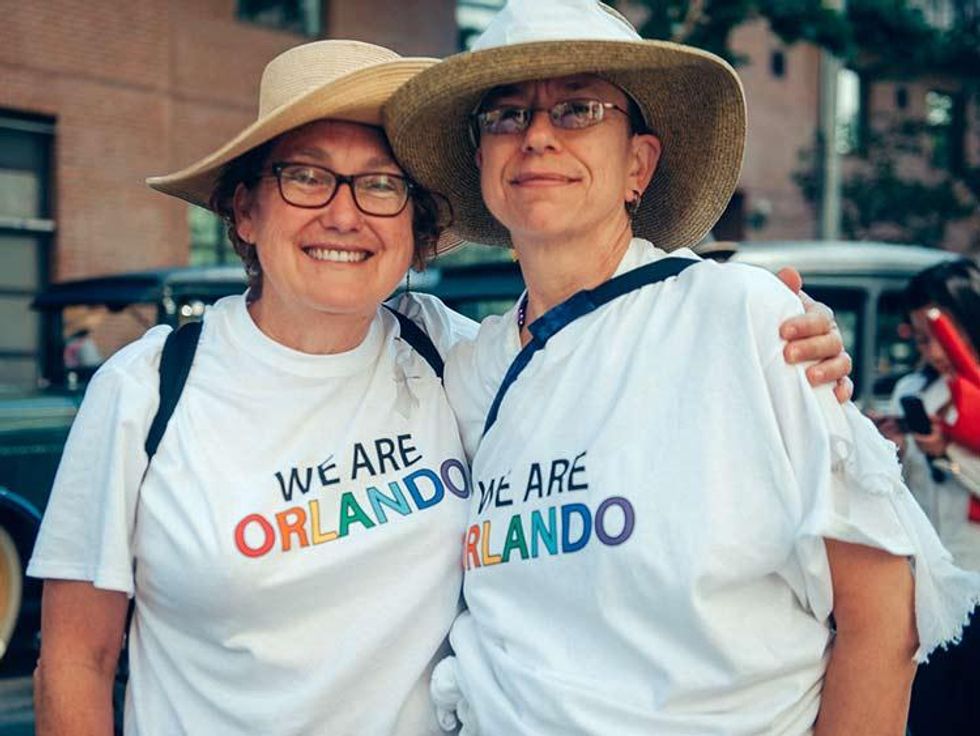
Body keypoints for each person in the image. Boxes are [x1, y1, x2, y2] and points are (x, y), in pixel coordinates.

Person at [28, 35, 846, 736]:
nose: (345, 214)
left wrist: (778, 331)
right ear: (244, 210)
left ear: (415, 225)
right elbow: (77, 659)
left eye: (381, 184)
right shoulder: (147, 390)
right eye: (306, 176)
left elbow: (607, 354)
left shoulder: (453, 355)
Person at [384, 1, 980, 734]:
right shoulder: (467, 371)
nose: (536, 136)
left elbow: (883, 611)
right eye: (504, 117)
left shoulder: (745, 320)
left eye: (577, 109)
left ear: (639, 163)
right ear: (481, 162)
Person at [875, 258, 980, 736]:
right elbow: (907, 499)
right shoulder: (911, 391)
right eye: (919, 337)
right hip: (932, 588)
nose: (932, 349)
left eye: (940, 330)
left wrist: (950, 455)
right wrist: (891, 452)